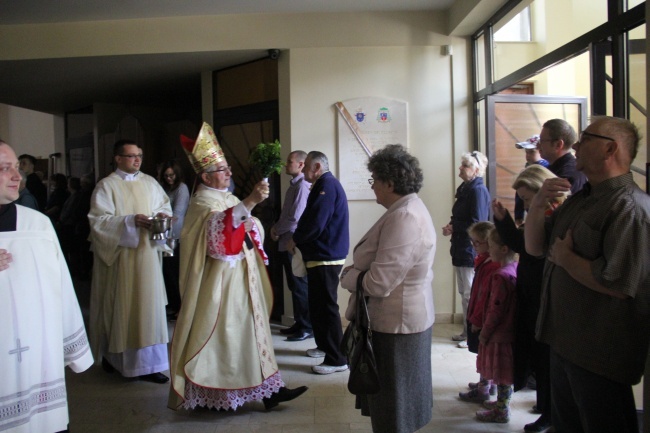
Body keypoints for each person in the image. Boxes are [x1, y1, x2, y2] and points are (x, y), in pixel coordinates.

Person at [168, 122, 307, 411]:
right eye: (224, 170)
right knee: (226, 333)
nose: (230, 173)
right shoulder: (202, 201)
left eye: (229, 168)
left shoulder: (226, 197)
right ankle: (213, 393)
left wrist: (248, 213)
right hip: (219, 285)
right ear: (206, 176)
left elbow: (245, 222)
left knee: (252, 332)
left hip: (243, 279)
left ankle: (270, 390)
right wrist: (249, 203)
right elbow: (217, 233)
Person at [524, 116, 650, 433]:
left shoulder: (629, 207)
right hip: (564, 341)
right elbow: (536, 247)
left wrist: (567, 260)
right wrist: (537, 205)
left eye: (586, 138)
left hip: (598, 353)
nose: (576, 145)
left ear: (610, 148)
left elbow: (620, 284)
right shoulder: (581, 200)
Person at [340, 144, 435, 433]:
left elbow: (379, 282)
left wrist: (348, 276)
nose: (373, 188)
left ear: (390, 183)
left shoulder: (404, 216)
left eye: (374, 181)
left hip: (397, 325)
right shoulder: (404, 209)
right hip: (395, 320)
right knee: (391, 406)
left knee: (395, 410)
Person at [0, 139, 93, 433]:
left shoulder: (37, 225)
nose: (18, 177)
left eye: (17, 167)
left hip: (38, 358)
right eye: (5, 169)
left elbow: (62, 288)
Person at [88, 139, 172, 384]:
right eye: (131, 156)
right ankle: (115, 359)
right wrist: (129, 221)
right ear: (117, 158)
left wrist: (162, 217)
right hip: (121, 260)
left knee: (149, 309)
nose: (137, 160)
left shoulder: (150, 182)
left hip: (147, 256)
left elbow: (163, 206)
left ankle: (150, 365)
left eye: (140, 156)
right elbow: (98, 221)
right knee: (122, 308)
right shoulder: (106, 186)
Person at [492, 164, 567, 432]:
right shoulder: (542, 213)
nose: (524, 205)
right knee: (538, 358)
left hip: (544, 298)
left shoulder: (555, 215)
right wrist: (503, 220)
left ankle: (550, 414)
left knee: (546, 360)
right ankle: (545, 409)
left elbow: (531, 249)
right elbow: (522, 245)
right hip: (532, 294)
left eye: (526, 199)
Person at [287, 151, 350, 374]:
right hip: (321, 255)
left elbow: (316, 223)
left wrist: (296, 239)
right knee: (318, 306)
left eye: (306, 168)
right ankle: (325, 347)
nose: (303, 171)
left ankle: (337, 358)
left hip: (327, 256)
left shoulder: (328, 186)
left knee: (326, 307)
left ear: (316, 167)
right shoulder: (323, 184)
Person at [442, 151, 490, 346]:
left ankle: (473, 334)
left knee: (471, 293)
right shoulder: (465, 188)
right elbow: (461, 216)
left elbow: (477, 222)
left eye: (465, 165)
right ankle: (466, 331)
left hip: (470, 248)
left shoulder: (478, 190)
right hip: (461, 246)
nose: (460, 168)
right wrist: (451, 225)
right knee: (464, 292)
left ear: (476, 170)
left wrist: (455, 227)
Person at [475, 228, 518, 424]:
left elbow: (495, 309)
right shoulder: (514, 268)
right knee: (503, 374)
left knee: (502, 375)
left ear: (503, 249)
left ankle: (502, 410)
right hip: (507, 332)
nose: (489, 250)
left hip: (499, 334)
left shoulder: (500, 276)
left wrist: (485, 332)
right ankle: (501, 404)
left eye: (491, 246)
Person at [270, 150, 313, 341]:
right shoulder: (293, 186)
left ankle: (306, 326)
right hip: (286, 240)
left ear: (301, 165)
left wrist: (276, 230)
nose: (286, 165)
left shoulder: (302, 186)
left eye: (290, 162)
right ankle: (299, 322)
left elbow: (295, 217)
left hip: (292, 241)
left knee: (299, 285)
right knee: (294, 285)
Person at [459, 221, 500, 401]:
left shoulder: (492, 266)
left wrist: (476, 318)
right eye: (472, 242)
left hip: (483, 319)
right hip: (479, 314)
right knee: (484, 353)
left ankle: (484, 389)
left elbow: (485, 296)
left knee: (486, 356)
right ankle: (487, 383)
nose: (473, 246)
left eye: (477, 243)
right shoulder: (484, 261)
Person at [157, 160, 189, 318]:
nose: (169, 178)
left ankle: (179, 307)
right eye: (166, 176)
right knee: (165, 272)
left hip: (174, 234)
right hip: (162, 233)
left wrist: (164, 221)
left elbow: (178, 212)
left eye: (171, 175)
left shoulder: (182, 188)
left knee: (174, 272)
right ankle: (170, 303)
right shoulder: (162, 188)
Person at [537, 118, 587, 194]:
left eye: (541, 141)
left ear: (558, 144)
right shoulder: (554, 168)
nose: (537, 145)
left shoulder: (566, 176)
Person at [513, 135, 549, 225]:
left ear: (541, 151)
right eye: (526, 152)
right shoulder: (527, 169)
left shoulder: (545, 170)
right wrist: (518, 215)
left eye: (531, 152)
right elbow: (519, 195)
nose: (527, 155)